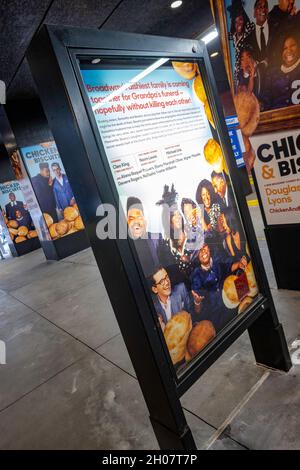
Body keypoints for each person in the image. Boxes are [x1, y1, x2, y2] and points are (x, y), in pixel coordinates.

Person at [190, 242, 248, 332]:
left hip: (232, 305)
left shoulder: (218, 259)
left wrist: (239, 264)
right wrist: (197, 302)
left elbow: (229, 266)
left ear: (209, 248)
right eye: (199, 250)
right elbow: (198, 311)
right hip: (217, 319)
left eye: (204, 246)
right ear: (197, 256)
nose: (203, 251)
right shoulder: (196, 276)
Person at [156, 185, 198, 287]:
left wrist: (190, 261)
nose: (178, 217)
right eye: (174, 216)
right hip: (183, 287)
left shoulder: (192, 232)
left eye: (179, 214)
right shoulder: (166, 244)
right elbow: (170, 272)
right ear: (169, 222)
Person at [150, 266, 201, 331]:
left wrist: (197, 302)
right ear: (155, 289)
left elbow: (194, 315)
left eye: (166, 277)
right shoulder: (152, 306)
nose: (167, 283)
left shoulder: (181, 289)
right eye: (161, 281)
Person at [127, 197, 163, 278]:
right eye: (132, 219)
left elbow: (168, 264)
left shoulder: (157, 238)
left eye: (139, 217)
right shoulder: (127, 246)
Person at [262, 33, 300, 110]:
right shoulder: (272, 73)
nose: (289, 50)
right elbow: (265, 99)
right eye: (285, 48)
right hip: (276, 118)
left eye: (292, 45)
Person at [227, 0, 255, 87]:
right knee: (239, 89)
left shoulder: (247, 30)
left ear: (244, 20)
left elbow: (251, 25)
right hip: (238, 67)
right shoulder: (233, 35)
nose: (238, 23)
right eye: (235, 21)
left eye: (240, 20)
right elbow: (225, 36)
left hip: (247, 64)